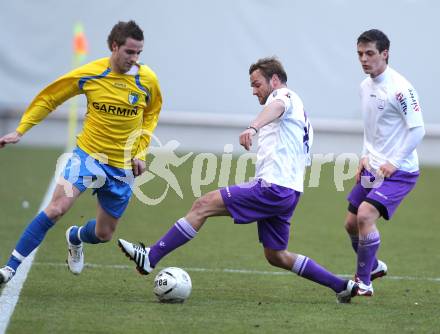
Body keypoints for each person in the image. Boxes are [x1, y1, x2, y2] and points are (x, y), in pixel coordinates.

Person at [118, 57, 359, 303]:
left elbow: (276, 106)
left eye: (257, 84)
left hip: (273, 188)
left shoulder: (285, 97)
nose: (254, 91)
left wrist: (253, 128)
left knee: (203, 205)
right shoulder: (299, 110)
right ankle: (341, 286)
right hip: (288, 191)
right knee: (276, 255)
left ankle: (150, 257)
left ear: (274, 80)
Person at [0, 20, 162, 286]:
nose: (135, 59)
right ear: (114, 46)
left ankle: (75, 237)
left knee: (104, 233)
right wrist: (21, 130)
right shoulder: (90, 74)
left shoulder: (147, 80)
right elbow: (49, 98)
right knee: (56, 209)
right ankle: (9, 268)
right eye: (129, 52)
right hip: (87, 157)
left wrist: (141, 152)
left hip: (122, 167)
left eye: (139, 53)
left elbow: (152, 114)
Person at [344, 29, 425, 296]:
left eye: (370, 53)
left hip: (400, 171)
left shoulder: (401, 88)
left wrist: (394, 161)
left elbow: (418, 130)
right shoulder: (363, 86)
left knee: (366, 215)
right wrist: (364, 155)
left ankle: (364, 282)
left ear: (385, 54)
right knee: (350, 223)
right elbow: (372, 128)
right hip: (373, 166)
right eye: (360, 54)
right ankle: (375, 266)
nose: (364, 59)